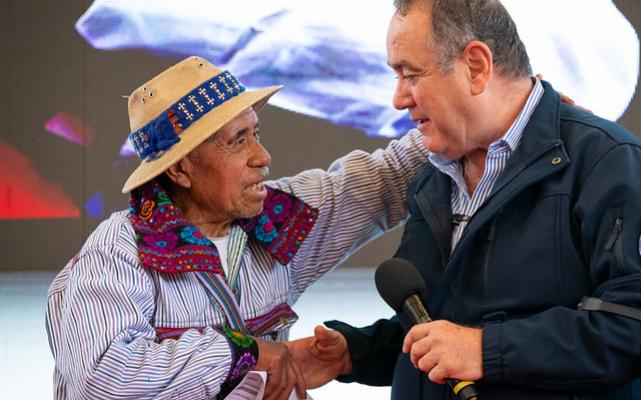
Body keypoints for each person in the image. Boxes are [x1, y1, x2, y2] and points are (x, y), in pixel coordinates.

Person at [288, 0, 641, 399]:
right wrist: (355, 351)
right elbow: (449, 331)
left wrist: (485, 350)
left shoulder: (610, 163)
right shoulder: (435, 177)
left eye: (410, 74)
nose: (398, 98)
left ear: (476, 66)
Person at [44, 56, 429, 399]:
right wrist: (247, 352)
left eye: (255, 133)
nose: (262, 157)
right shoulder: (119, 253)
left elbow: (390, 175)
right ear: (180, 169)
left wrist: (474, 110)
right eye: (237, 141)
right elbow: (103, 379)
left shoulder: (278, 219)